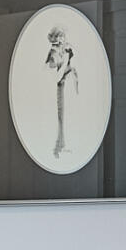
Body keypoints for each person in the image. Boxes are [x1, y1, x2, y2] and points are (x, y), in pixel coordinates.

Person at [43, 25, 79, 158]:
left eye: (63, 36)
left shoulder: (66, 49)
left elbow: (74, 65)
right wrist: (66, 59)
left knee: (71, 116)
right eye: (59, 36)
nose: (62, 39)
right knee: (61, 118)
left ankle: (66, 146)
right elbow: (55, 77)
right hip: (61, 89)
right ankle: (58, 148)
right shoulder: (53, 54)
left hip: (71, 88)